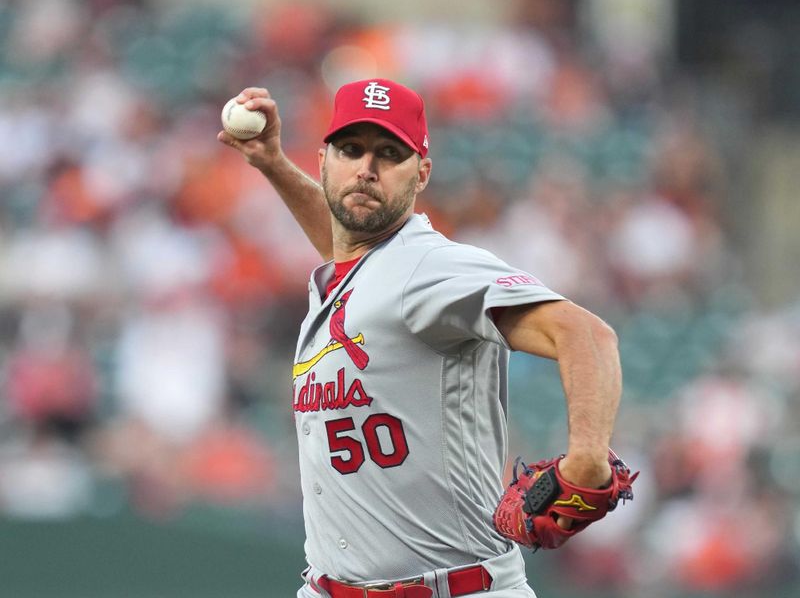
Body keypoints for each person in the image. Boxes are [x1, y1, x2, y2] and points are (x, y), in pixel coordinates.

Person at [218, 78, 623, 598]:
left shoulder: (431, 266)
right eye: (351, 150)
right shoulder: (355, 276)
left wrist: (587, 457)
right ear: (323, 160)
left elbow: (587, 334)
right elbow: (357, 255)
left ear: (422, 173)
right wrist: (273, 163)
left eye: (389, 154)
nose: (366, 169)